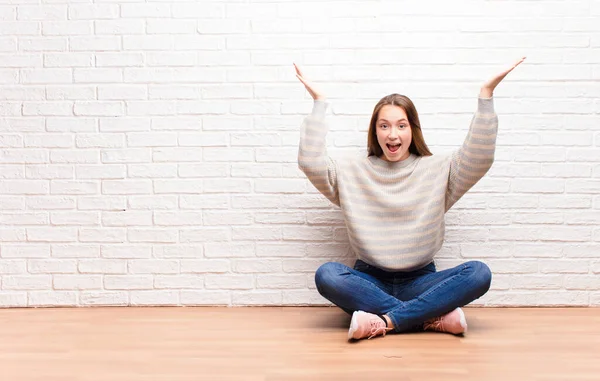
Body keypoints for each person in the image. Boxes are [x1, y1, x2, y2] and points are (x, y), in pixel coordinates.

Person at [295, 58, 525, 341]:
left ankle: (385, 320)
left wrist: (485, 96)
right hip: (368, 280)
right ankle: (428, 317)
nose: (393, 134)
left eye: (401, 125)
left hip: (422, 280)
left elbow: (479, 158)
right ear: (375, 131)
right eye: (384, 126)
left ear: (412, 129)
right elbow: (309, 162)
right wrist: (320, 104)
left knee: (479, 273)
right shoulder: (350, 171)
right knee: (327, 275)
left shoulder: (439, 168)